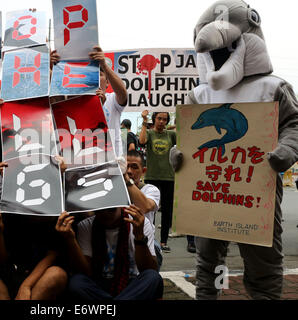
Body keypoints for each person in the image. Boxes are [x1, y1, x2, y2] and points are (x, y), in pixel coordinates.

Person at [170, 0, 298, 300]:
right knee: (209, 261)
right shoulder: (200, 93)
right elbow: (189, 136)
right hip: (209, 193)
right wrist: (179, 153)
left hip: (255, 195)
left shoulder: (273, 86)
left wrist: (286, 150)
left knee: (262, 261)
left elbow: (294, 123)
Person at [56, 205, 163, 300]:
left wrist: (139, 237)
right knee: (76, 282)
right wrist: (71, 240)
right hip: (99, 284)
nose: (105, 214)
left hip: (131, 282)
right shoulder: (87, 226)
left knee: (153, 277)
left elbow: (149, 269)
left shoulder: (138, 223)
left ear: (121, 206)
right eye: (100, 210)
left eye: (111, 209)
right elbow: (86, 271)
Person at [51, 46, 128, 158]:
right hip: (82, 162)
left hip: (112, 165)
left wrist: (104, 65)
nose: (95, 78)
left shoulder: (112, 100)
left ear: (107, 82)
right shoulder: (71, 101)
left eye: (100, 74)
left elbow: (122, 93)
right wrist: (53, 68)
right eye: (91, 74)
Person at [0, 210, 68, 300]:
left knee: (56, 274)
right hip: (8, 274)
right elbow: (1, 261)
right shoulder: (7, 214)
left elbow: (51, 256)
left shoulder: (58, 218)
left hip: (38, 276)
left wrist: (25, 286)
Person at [138, 110, 176, 253]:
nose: (162, 122)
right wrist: (143, 121)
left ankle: (164, 241)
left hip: (168, 177)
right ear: (154, 119)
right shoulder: (149, 133)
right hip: (152, 176)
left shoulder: (171, 135)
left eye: (165, 119)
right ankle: (151, 238)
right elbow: (141, 141)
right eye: (159, 118)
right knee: (150, 210)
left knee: (167, 211)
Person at [123, 150, 163, 269]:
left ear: (143, 171)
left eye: (134, 167)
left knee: (150, 276)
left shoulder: (151, 190)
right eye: (126, 167)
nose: (129, 171)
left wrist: (126, 179)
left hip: (143, 240)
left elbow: (144, 206)